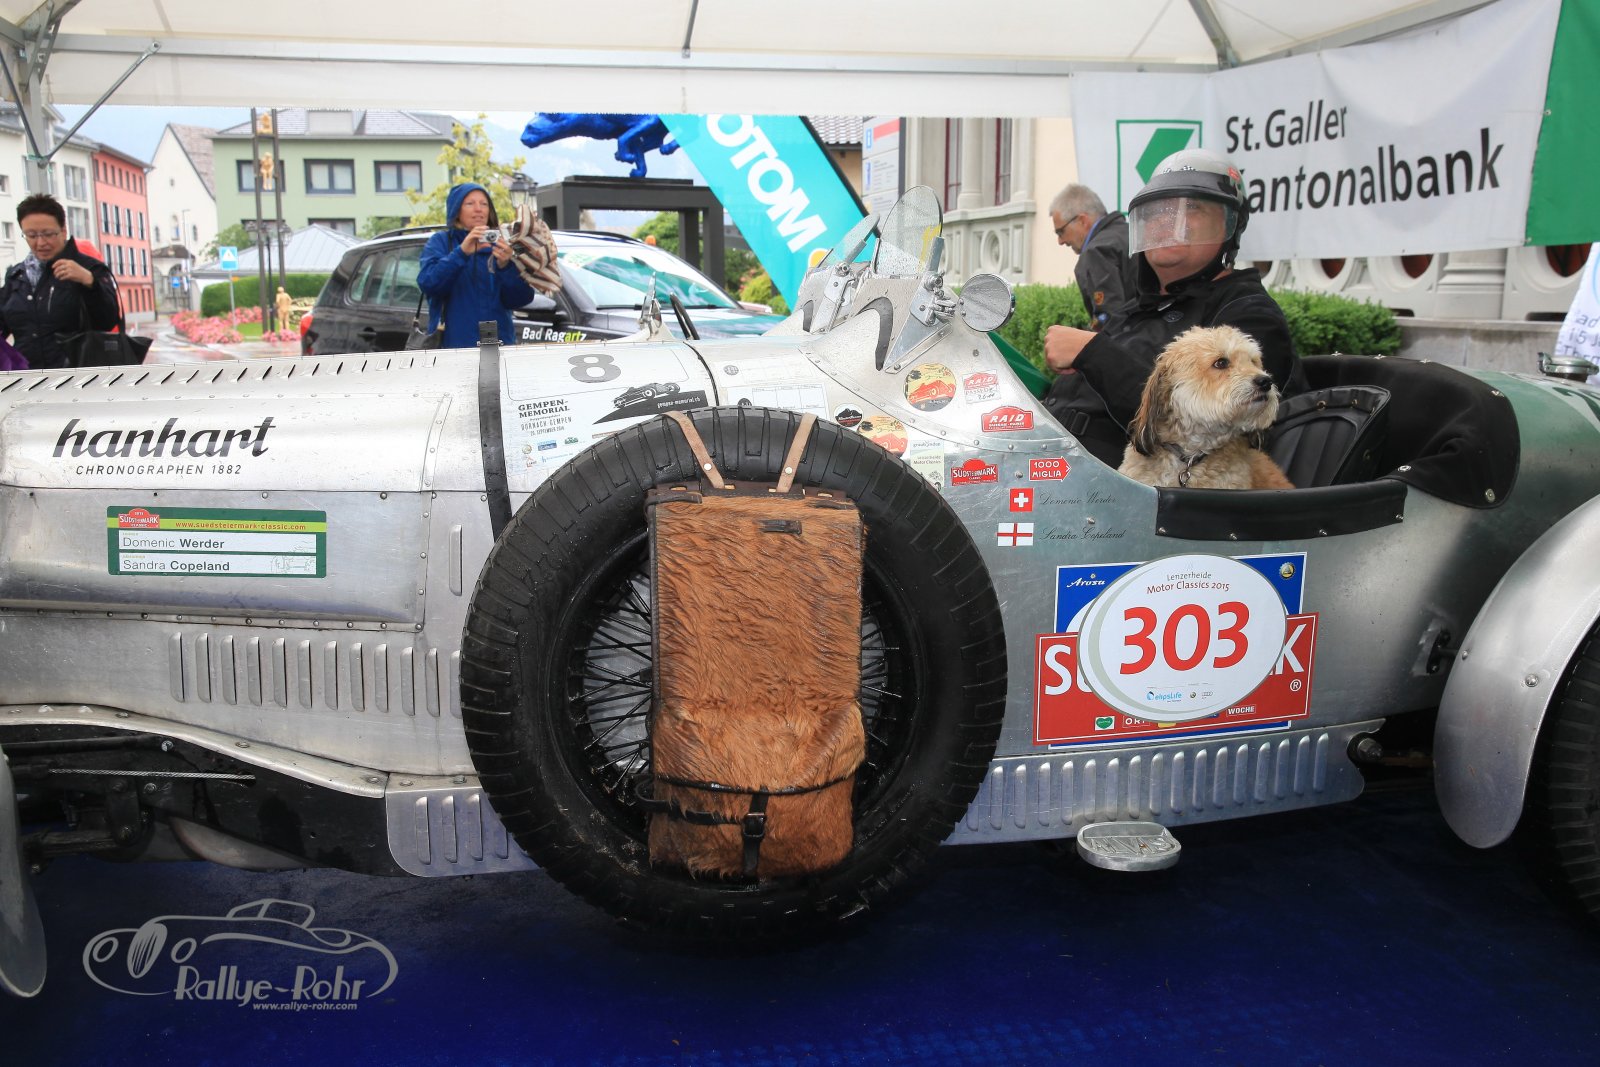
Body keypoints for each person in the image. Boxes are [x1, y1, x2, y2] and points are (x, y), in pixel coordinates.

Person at [1040, 148, 1305, 466]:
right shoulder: (1139, 309)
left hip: (1126, 488)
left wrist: (1094, 354)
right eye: (1155, 212)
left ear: (1230, 224)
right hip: (1046, 464)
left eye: (1192, 208)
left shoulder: (1246, 312)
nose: (1168, 221)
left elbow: (1213, 430)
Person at [0, 193, 120, 370]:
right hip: (28, 378)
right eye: (31, 235)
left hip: (78, 376)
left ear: (63, 230)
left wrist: (90, 282)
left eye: (48, 234)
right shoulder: (16, 276)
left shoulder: (90, 268)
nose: (41, 242)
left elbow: (108, 321)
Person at [417, 182, 535, 348]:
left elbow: (521, 299)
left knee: (490, 366)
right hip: (454, 340)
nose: (478, 209)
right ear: (456, 211)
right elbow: (429, 284)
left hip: (494, 337)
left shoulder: (502, 242)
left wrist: (505, 266)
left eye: (484, 204)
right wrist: (462, 252)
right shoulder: (441, 242)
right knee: (462, 367)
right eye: (470, 203)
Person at [1048, 183, 1139, 330]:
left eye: (1060, 232)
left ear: (1082, 221)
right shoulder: (1134, 234)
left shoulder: (1096, 252)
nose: (1060, 241)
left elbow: (1109, 321)